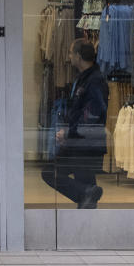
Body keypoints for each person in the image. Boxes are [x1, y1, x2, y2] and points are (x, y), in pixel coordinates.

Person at [42, 39, 108, 209]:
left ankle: (86, 194)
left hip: (86, 144)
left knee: (84, 192)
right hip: (77, 142)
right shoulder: (83, 78)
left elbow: (93, 114)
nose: (69, 56)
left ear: (78, 56)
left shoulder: (95, 81)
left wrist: (69, 132)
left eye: (71, 53)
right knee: (51, 172)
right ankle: (86, 192)